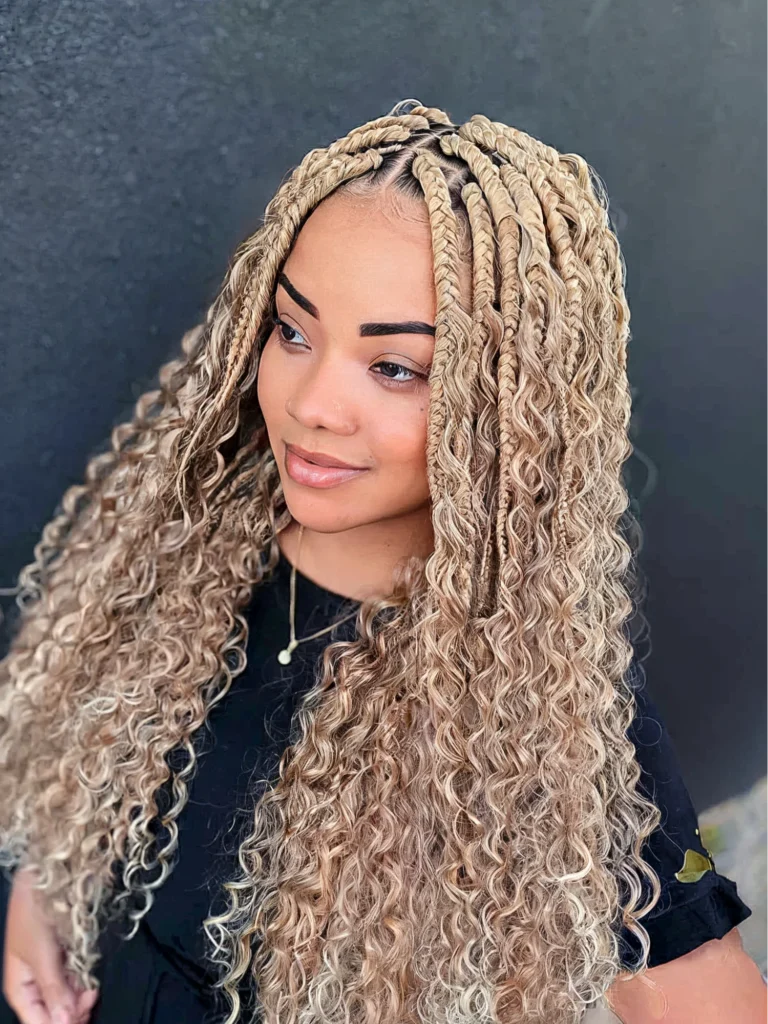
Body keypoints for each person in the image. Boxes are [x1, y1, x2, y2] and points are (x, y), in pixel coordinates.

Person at [0, 100, 764, 1024]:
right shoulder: (191, 541)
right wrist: (44, 894)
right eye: (293, 331)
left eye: (396, 367)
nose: (313, 404)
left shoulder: (538, 700)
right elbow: (86, 766)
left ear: (510, 407)